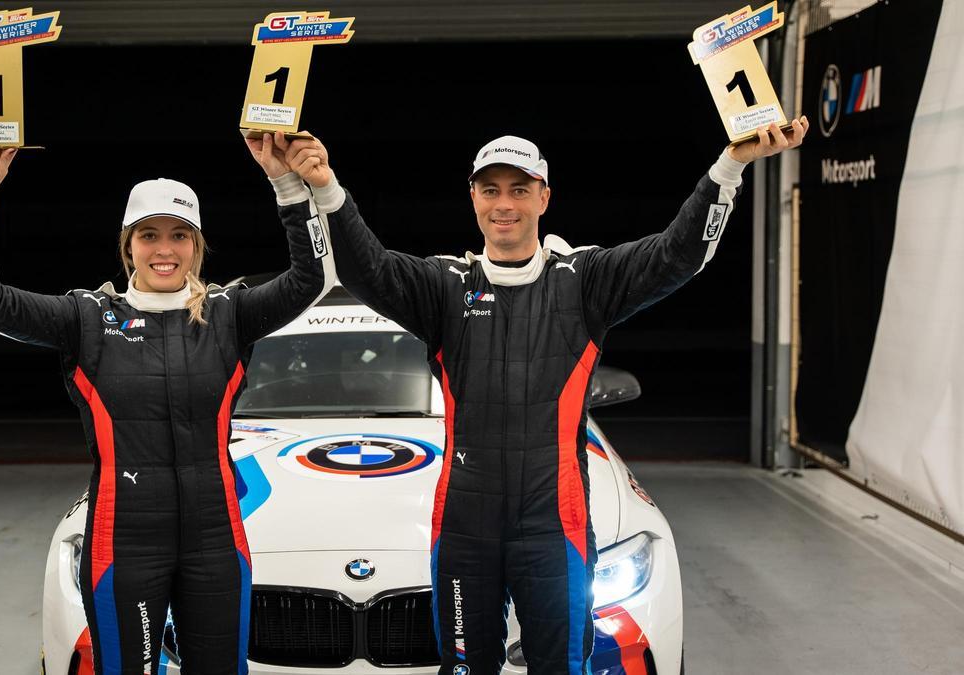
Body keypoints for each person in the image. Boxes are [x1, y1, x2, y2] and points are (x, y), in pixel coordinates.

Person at [280, 118, 808, 674]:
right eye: (490, 190)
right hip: (466, 524)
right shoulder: (444, 284)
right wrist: (325, 187)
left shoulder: (583, 280)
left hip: (554, 524)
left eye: (519, 189)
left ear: (544, 197)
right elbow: (368, 270)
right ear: (473, 198)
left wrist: (729, 167)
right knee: (463, 668)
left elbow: (677, 255)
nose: (503, 204)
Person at [0, 133, 335, 675]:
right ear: (128, 244)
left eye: (180, 235)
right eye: (149, 234)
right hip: (124, 543)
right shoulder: (86, 318)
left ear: (196, 246)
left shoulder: (229, 314)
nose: (164, 249)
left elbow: (315, 279)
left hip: (215, 539)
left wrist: (286, 183)